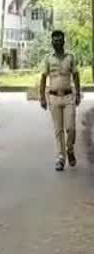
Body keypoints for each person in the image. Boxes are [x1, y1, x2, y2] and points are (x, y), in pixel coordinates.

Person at [40, 30, 81, 172]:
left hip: (69, 97)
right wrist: (42, 97)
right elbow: (44, 77)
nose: (57, 42)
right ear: (52, 42)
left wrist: (78, 93)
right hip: (53, 97)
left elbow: (76, 75)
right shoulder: (48, 59)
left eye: (59, 39)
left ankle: (70, 149)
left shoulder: (71, 57)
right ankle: (60, 158)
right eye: (55, 40)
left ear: (63, 41)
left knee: (71, 128)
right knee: (58, 130)